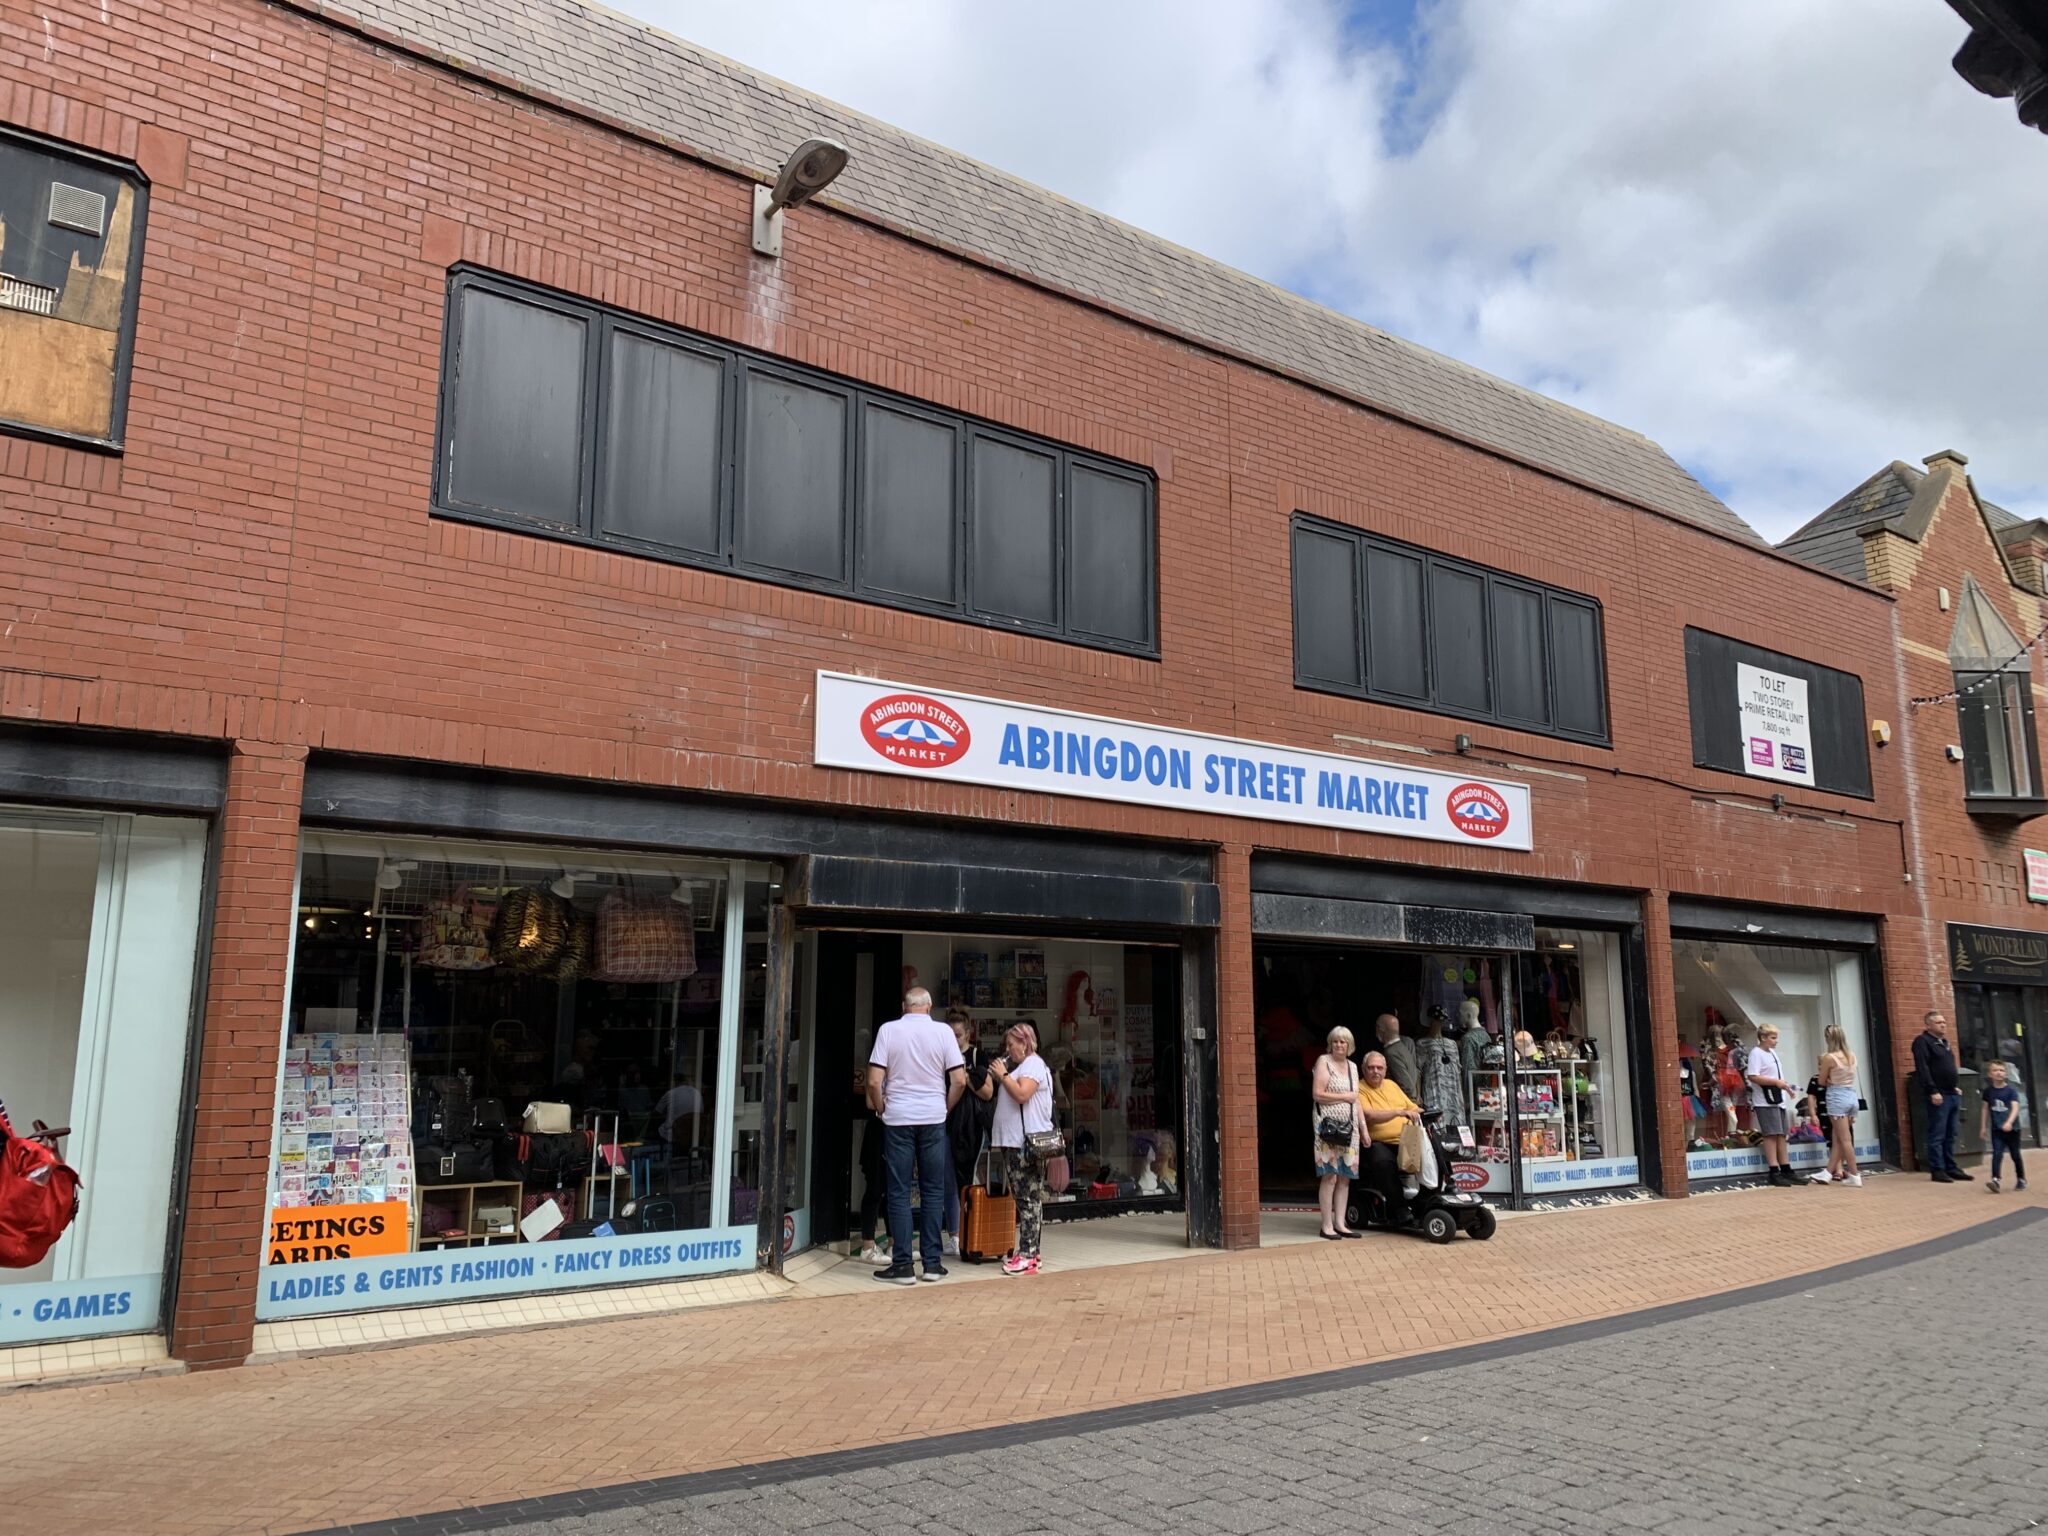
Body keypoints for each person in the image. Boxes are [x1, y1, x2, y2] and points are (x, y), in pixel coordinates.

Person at [867, 986, 966, 1284]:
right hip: (933, 1118)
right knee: (934, 1190)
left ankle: (902, 1266)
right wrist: (944, 1108)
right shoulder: (944, 1033)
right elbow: (959, 1080)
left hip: (898, 1119)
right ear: (930, 1006)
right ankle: (933, 1264)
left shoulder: (888, 1030)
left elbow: (874, 1081)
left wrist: (884, 1109)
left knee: (897, 1191)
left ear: (904, 1006)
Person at [990, 1022, 1054, 1275]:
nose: (1009, 1050)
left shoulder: (1033, 1065)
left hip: (1023, 1144)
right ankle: (1032, 1253)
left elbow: (1022, 1094)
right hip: (1020, 1142)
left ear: (1025, 1043)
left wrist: (1003, 1075)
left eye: (1012, 1044)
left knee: (1027, 1199)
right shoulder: (1027, 1066)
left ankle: (1027, 1255)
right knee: (1030, 1199)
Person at [944, 1010, 997, 1255]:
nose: (954, 1040)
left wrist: (964, 1076)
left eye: (958, 1035)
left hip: (970, 1126)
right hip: (946, 1122)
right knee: (947, 1180)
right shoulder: (941, 1054)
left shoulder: (977, 1055)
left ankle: (967, 1232)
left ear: (968, 1033)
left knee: (966, 1178)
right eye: (950, 1034)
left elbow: (987, 1093)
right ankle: (953, 1234)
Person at [1356, 1049, 1422, 1228]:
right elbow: (1369, 1115)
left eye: (1379, 1068)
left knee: (1433, 1153)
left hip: (1405, 1140)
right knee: (1383, 1162)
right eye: (1371, 1068)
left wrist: (1422, 1113)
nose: (1376, 1071)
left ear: (1385, 1070)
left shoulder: (1392, 1085)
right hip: (1377, 1142)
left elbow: (1413, 1107)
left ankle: (1424, 1202)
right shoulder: (1360, 1088)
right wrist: (1399, 1112)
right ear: (1364, 1069)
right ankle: (1399, 1209)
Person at [1311, 1026, 1362, 1240]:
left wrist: (1364, 1129)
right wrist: (1345, 1096)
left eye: (1343, 1042)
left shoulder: (1352, 1066)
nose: (1339, 1045)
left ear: (1350, 1045)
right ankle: (1327, 1225)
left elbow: (1356, 1100)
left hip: (1350, 1128)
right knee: (1330, 1175)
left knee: (1345, 1177)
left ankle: (1341, 1223)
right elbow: (1318, 1094)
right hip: (1328, 1128)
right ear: (1330, 1044)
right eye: (1336, 1041)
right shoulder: (1324, 1062)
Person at [1745, 1025, 1808, 1186]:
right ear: (1763, 1037)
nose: (1776, 1041)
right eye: (1773, 1038)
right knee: (1771, 1134)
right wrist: (1776, 1083)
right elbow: (1753, 1076)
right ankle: (1774, 1170)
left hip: (1778, 1099)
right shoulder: (1756, 1053)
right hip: (1765, 1101)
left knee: (1781, 1134)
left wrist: (1786, 1088)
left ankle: (1786, 1168)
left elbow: (1777, 1077)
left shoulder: (1772, 1053)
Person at [1912, 1009, 1970, 1182]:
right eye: (1938, 1022)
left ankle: (1951, 1167)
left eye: (1944, 1022)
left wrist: (1955, 1087)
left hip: (1952, 1093)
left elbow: (1948, 1066)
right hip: (1938, 1095)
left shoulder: (1944, 1042)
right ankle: (1937, 1169)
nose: (1943, 1025)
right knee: (1937, 1133)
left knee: (1951, 1133)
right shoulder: (1922, 1042)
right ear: (1928, 1025)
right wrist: (1932, 1090)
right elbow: (1923, 1068)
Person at [851, 1063, 889, 1263]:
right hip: (878, 1133)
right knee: (874, 1188)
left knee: (893, 1191)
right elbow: (870, 1102)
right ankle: (867, 1245)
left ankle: (893, 1243)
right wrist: (886, 1107)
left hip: (894, 1132)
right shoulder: (877, 1068)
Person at [1814, 1024, 1862, 1187]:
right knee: (1838, 1138)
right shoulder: (1852, 1056)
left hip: (1837, 1098)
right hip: (1851, 1096)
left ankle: (1855, 1175)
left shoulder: (1829, 1057)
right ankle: (1827, 1172)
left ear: (1829, 1039)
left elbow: (1821, 1081)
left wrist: (1830, 1080)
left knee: (1844, 1139)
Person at [1982, 1060, 2026, 1194]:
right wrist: (1983, 1126)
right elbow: (1985, 1109)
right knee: (1997, 1153)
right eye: (1995, 1070)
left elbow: (2015, 1108)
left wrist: (2009, 1122)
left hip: (2012, 1130)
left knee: (2015, 1155)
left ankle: (2021, 1178)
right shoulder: (1988, 1092)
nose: (1999, 1073)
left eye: (2001, 1070)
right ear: (1990, 1074)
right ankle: (1995, 1180)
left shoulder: (2011, 1091)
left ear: (2006, 1073)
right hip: (1997, 1129)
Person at [1376, 1012, 1420, 1100]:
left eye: (1377, 1026)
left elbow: (1407, 1087)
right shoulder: (1402, 1047)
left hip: (1404, 1105)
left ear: (1381, 1029)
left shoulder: (1391, 1052)